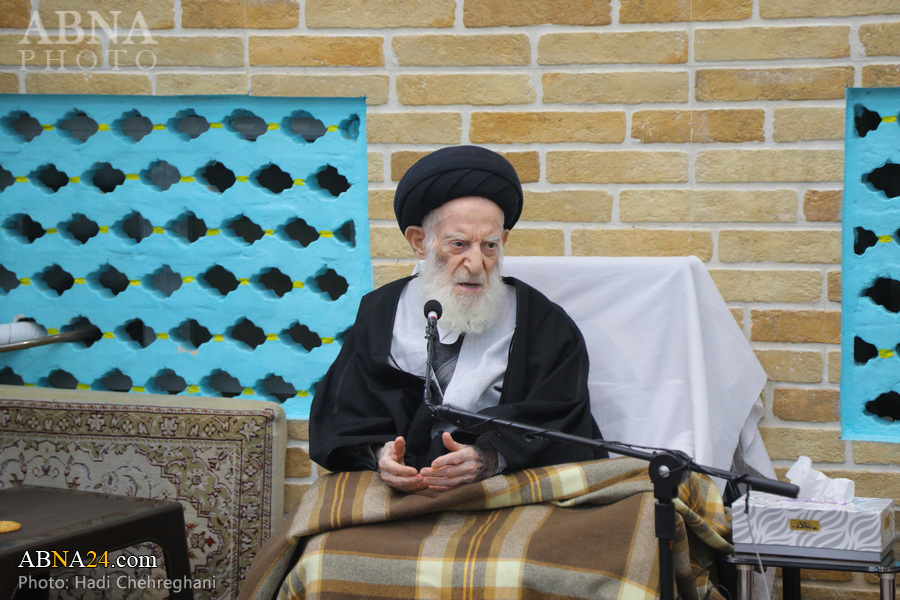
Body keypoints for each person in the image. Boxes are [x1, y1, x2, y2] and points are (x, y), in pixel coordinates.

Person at [309, 145, 606, 493]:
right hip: (398, 489)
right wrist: (379, 454)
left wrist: (491, 457)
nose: (477, 264)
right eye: (459, 244)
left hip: (502, 487)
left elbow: (562, 422)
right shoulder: (380, 312)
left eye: (490, 246)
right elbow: (343, 415)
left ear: (504, 241)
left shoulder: (543, 324)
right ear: (419, 241)